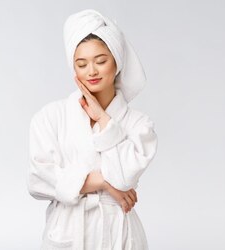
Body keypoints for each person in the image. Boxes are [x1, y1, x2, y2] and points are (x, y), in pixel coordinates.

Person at [27, 9, 158, 250]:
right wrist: (103, 183)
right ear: (73, 68)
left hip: (120, 235)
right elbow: (38, 180)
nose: (92, 71)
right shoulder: (50, 117)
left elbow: (125, 177)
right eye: (81, 64)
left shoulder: (139, 124)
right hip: (68, 233)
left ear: (116, 62)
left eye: (100, 61)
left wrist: (104, 120)